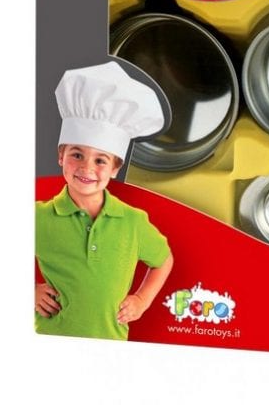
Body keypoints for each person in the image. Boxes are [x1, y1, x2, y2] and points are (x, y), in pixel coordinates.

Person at [35, 61, 174, 341]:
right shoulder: (38, 217)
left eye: (100, 160)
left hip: (112, 344)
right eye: (77, 155)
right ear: (61, 156)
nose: (87, 168)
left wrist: (142, 300)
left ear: (115, 168)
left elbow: (164, 259)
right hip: (50, 341)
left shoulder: (133, 221)